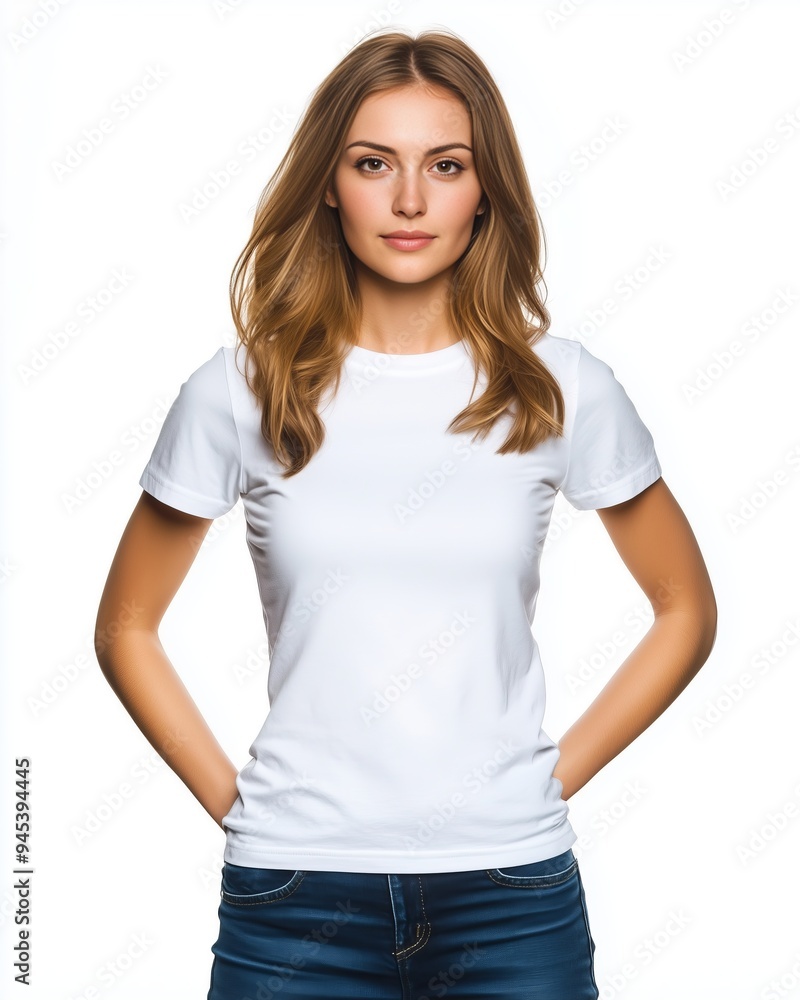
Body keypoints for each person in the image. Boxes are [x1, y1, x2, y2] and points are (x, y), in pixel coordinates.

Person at [94, 27, 717, 1000]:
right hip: (293, 901)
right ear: (328, 183)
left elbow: (684, 610)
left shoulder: (561, 388)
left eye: (447, 165)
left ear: (486, 188)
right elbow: (125, 629)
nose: (412, 200)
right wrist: (246, 810)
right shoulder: (239, 391)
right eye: (374, 163)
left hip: (511, 901)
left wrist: (545, 785)